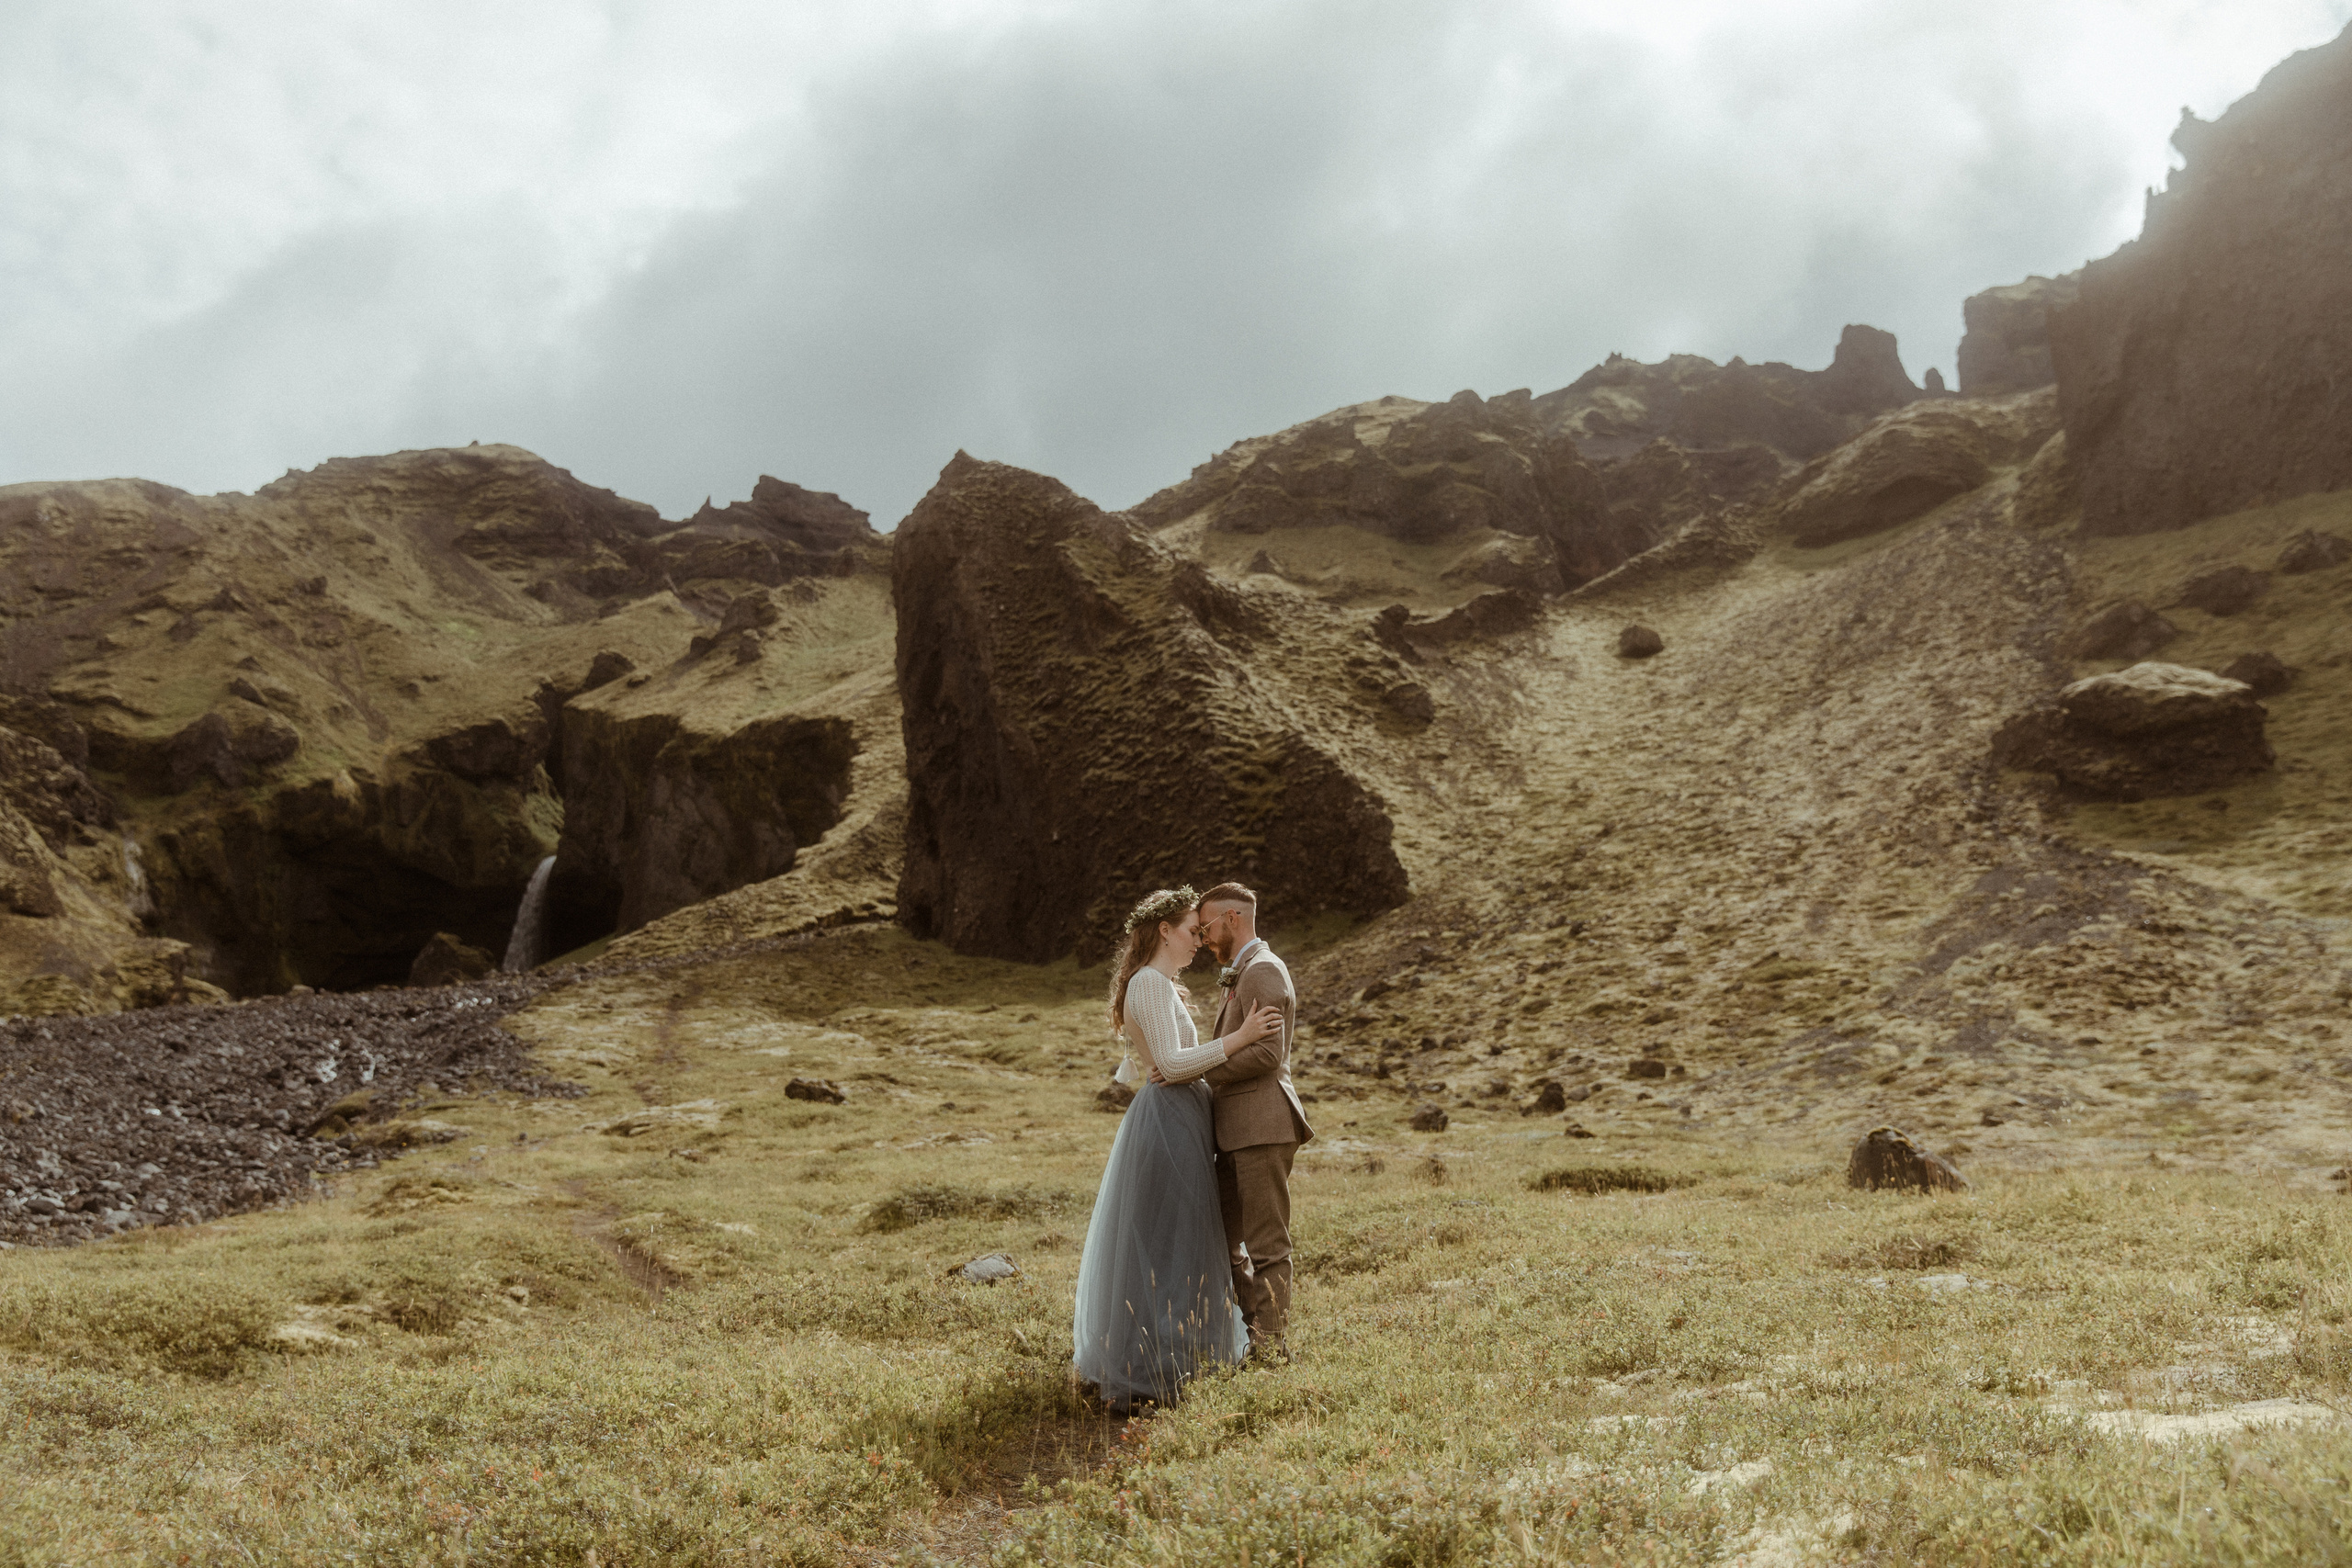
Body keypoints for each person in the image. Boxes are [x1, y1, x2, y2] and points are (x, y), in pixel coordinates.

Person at [1072, 886, 1283, 1410]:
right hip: (1168, 1121)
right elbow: (1171, 1065)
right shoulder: (1148, 983)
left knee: (1180, 1240)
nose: (1199, 942)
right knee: (1168, 1242)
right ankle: (1150, 1365)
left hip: (1183, 1117)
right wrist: (1242, 1036)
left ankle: (1175, 1355)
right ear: (1164, 931)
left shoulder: (1160, 984)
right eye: (1192, 931)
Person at [1195, 882, 1311, 1358]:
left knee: (1267, 1244)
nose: (1203, 937)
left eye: (1206, 926)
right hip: (1237, 1130)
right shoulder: (1242, 972)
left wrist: (1200, 1065)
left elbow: (1265, 1053)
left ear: (1232, 919)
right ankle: (1254, 1335)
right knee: (1221, 1241)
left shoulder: (1263, 972)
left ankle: (1270, 1348)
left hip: (1263, 1125)